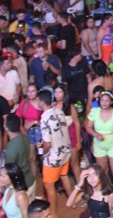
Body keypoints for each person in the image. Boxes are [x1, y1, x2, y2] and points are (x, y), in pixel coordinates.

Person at [36, 88, 74, 218]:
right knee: (64, 176)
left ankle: (53, 213)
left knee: (48, 184)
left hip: (54, 156)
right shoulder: (59, 111)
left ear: (41, 102)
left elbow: (47, 143)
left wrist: (43, 153)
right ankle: (72, 201)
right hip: (65, 151)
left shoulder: (44, 118)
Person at [3, 115, 35, 198]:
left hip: (22, 186)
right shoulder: (25, 137)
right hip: (30, 179)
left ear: (6, 128)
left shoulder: (11, 148)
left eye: (4, 123)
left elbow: (9, 172)